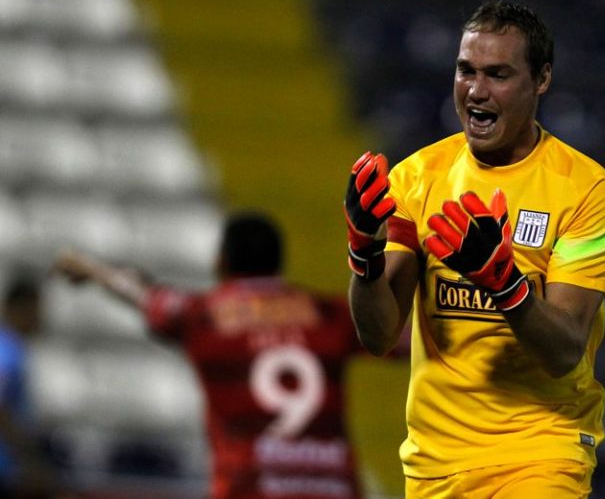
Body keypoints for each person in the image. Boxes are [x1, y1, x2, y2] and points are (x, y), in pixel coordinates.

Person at [343, 0, 605, 498]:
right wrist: (364, 255)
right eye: (465, 70)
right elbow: (379, 334)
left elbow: (564, 350)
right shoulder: (417, 178)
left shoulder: (587, 190)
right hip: (434, 466)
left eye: (498, 74)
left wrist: (504, 283)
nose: (476, 90)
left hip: (541, 455)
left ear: (541, 79)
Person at [52, 212, 364, 499]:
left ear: (221, 261)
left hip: (249, 486)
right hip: (333, 486)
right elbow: (391, 333)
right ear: (279, 262)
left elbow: (141, 293)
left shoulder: (203, 315)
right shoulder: (331, 315)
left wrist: (92, 269)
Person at [0, 273, 70, 498]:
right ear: (17, 308)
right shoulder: (8, 351)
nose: (40, 318)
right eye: (36, 310)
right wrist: (29, 459)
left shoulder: (13, 348)